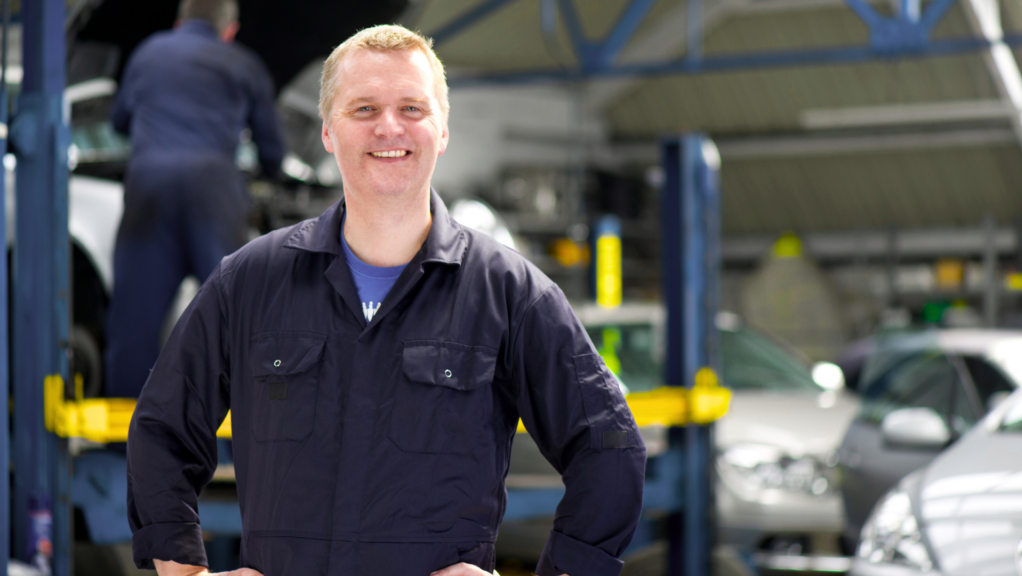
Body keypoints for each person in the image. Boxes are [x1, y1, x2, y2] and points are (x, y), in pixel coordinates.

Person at [126, 24, 645, 576]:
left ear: (442, 130)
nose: (389, 127)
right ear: (329, 130)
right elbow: (161, 430)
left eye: (413, 108)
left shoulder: (511, 294)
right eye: (364, 108)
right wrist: (185, 573)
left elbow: (609, 447)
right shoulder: (249, 283)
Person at [106, 0, 285, 400]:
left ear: (178, 22)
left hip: (148, 185)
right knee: (233, 315)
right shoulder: (244, 63)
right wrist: (267, 172)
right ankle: (238, 436)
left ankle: (125, 441)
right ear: (230, 30)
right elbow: (272, 150)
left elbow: (118, 120)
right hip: (212, 188)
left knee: (135, 317)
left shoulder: (149, 52)